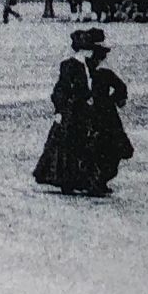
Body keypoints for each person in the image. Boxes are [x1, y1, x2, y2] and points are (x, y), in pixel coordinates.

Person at [34, 29, 101, 194]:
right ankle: (73, 180)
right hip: (74, 111)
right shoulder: (73, 65)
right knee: (73, 146)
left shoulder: (79, 64)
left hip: (77, 110)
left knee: (73, 146)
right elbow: (69, 89)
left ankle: (77, 180)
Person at [85, 42, 133, 195]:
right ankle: (98, 180)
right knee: (107, 149)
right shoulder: (102, 71)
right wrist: (112, 101)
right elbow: (121, 88)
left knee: (99, 147)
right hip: (105, 114)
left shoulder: (97, 71)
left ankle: (96, 180)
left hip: (98, 114)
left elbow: (121, 88)